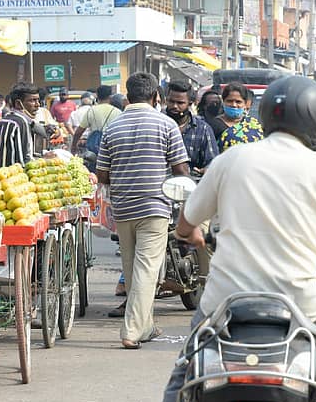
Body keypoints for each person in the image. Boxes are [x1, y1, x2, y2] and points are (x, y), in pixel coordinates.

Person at [151, 76, 316, 402]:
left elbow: (186, 223)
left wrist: (191, 234)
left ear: (264, 115)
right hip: (303, 307)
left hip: (225, 308)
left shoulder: (231, 160)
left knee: (182, 380)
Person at [95, 72, 189, 349]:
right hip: (155, 205)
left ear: (127, 97)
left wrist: (125, 177)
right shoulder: (166, 124)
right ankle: (132, 331)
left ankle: (146, 326)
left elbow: (101, 173)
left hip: (123, 207)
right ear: (156, 97)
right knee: (147, 270)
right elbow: (181, 169)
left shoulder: (113, 127)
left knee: (132, 267)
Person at [165, 80, 218, 174]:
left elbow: (212, 160)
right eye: (171, 101)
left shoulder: (203, 129)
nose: (174, 106)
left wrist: (206, 169)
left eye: (180, 103)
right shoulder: (157, 125)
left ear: (190, 103)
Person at [70, 85, 122, 170]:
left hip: (94, 151)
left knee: (94, 172)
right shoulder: (117, 112)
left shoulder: (91, 111)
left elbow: (79, 131)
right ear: (110, 96)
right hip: (112, 149)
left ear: (97, 96)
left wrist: (73, 146)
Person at [0, 82, 40, 169]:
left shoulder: (4, 120)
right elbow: (23, 162)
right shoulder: (20, 122)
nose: (37, 105)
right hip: (13, 178)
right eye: (32, 100)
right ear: (18, 103)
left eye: (38, 100)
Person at [217, 83, 264, 151]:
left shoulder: (255, 125)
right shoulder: (213, 126)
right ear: (223, 101)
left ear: (245, 104)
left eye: (238, 102)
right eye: (229, 101)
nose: (234, 105)